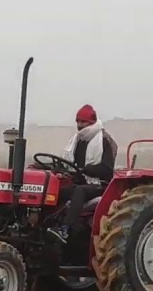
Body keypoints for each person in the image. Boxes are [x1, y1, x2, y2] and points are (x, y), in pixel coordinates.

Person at [48, 104, 117, 244]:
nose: (79, 125)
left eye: (83, 122)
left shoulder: (103, 140)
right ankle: (47, 224)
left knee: (79, 191)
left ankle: (65, 229)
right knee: (57, 190)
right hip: (81, 181)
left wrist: (87, 169)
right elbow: (71, 164)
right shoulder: (77, 141)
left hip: (101, 185)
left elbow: (107, 169)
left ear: (91, 123)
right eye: (78, 121)